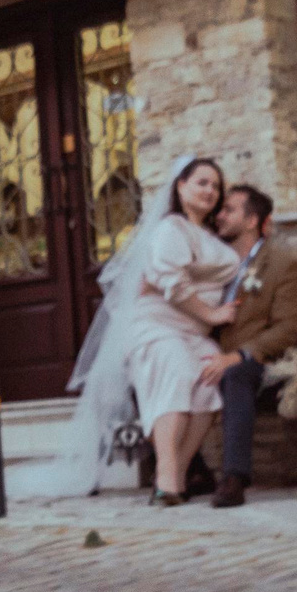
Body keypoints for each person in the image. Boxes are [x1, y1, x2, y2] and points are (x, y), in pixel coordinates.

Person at [30, 155, 241, 503]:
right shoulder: (170, 228)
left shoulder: (211, 237)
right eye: (202, 182)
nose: (210, 190)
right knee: (176, 372)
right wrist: (213, 314)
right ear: (181, 186)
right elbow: (172, 283)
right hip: (157, 325)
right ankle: (167, 481)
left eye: (216, 186)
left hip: (193, 333)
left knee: (209, 379)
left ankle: (177, 473)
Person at [197, 183, 297, 508]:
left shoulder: (282, 265)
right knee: (150, 368)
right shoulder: (213, 262)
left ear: (251, 221)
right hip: (210, 350)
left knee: (237, 375)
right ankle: (192, 470)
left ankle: (234, 478)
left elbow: (287, 329)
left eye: (229, 210)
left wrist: (239, 355)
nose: (219, 216)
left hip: (259, 359)